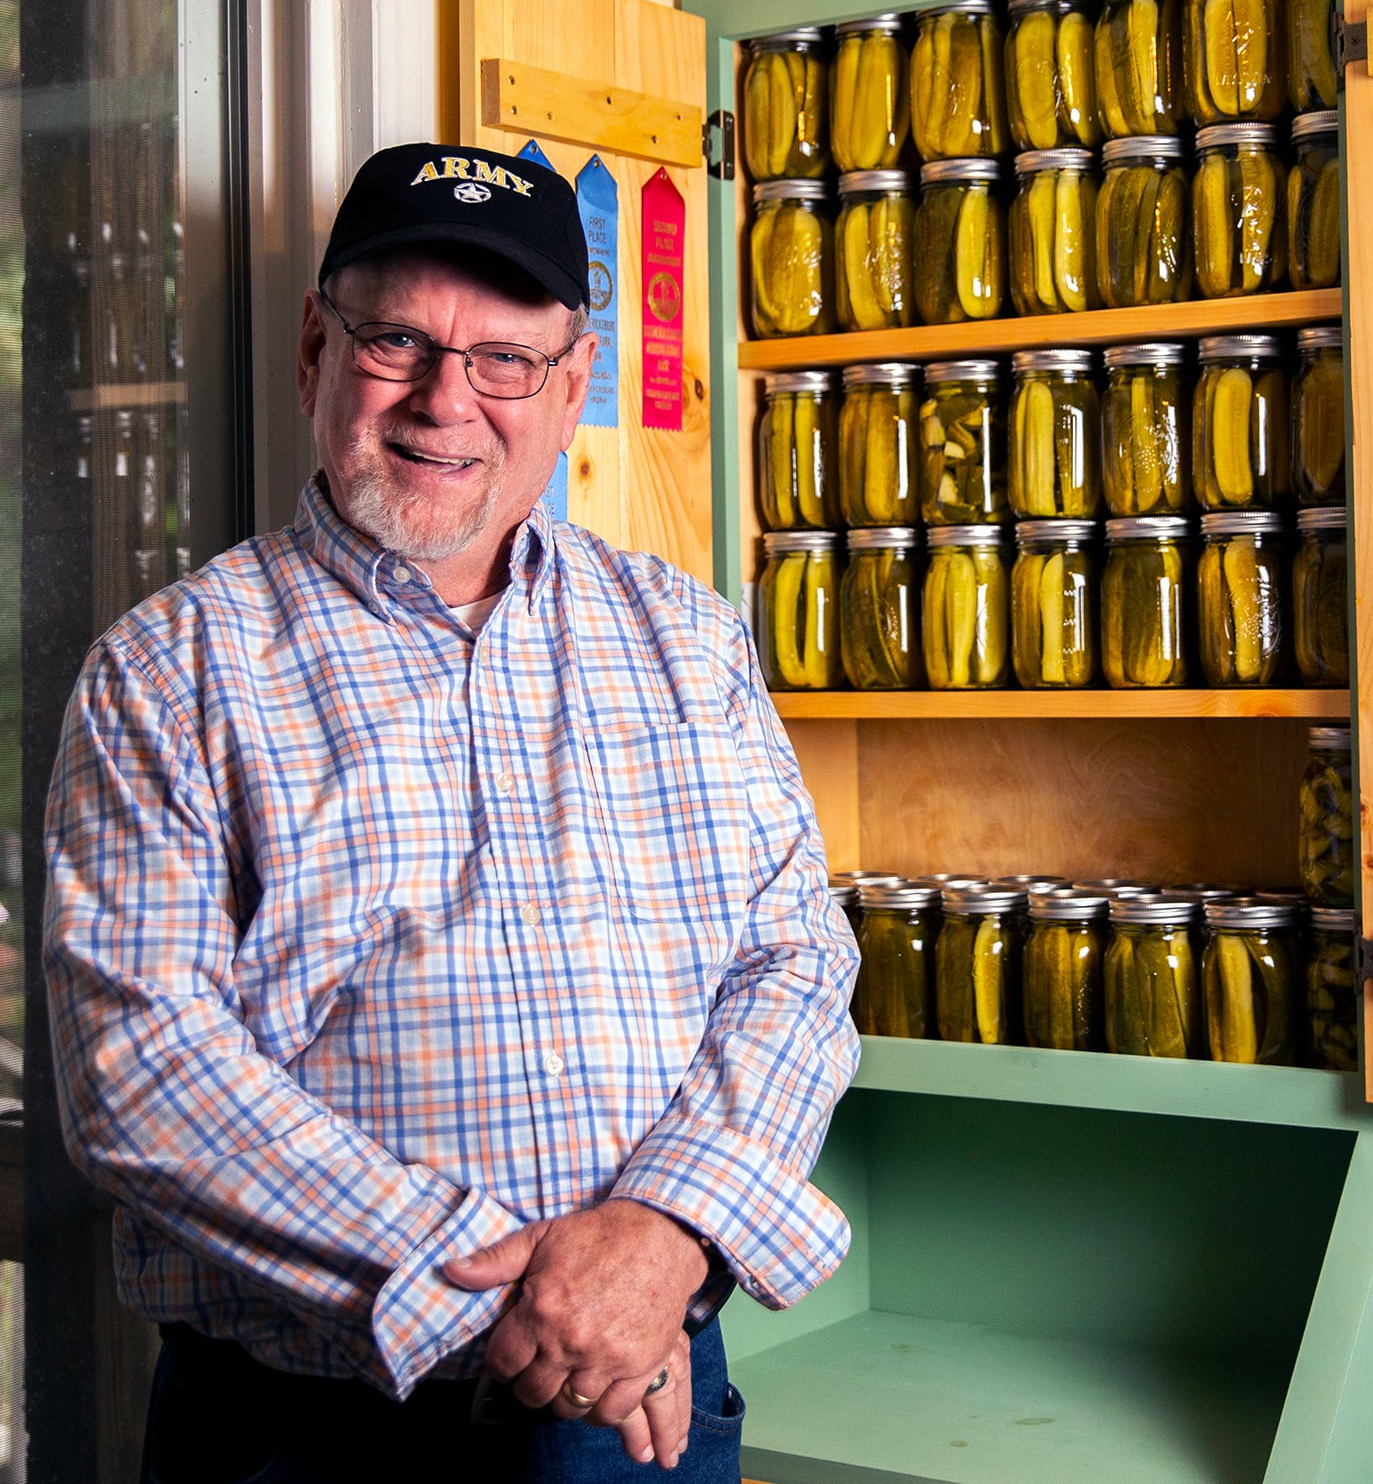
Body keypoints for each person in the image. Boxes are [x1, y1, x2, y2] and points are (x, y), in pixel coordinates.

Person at [42, 143, 860, 1484]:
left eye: (503, 360)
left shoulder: (686, 640)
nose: (445, 402)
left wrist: (665, 1232)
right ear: (315, 348)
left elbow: (794, 960)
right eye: (397, 343)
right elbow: (144, 1071)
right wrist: (526, 1298)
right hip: (304, 1433)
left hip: (644, 1406)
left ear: (571, 384)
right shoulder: (170, 669)